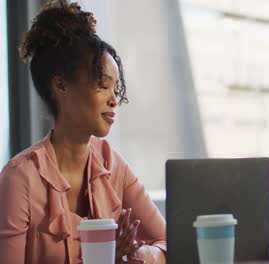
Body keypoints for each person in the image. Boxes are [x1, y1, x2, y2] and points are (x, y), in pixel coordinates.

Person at [0, 1, 166, 263]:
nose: (114, 100)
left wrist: (139, 255)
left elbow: (169, 241)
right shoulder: (19, 179)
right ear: (61, 86)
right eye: (102, 85)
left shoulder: (114, 166)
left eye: (115, 88)